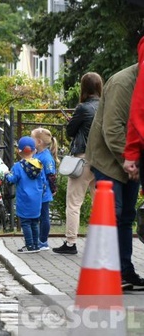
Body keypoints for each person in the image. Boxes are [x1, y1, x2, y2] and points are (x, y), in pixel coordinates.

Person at [88, 60, 143, 289]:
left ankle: (125, 270)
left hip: (131, 159)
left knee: (127, 215)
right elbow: (112, 129)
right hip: (109, 160)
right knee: (114, 214)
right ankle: (107, 271)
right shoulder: (123, 83)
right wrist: (129, 161)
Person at [53, 72, 102, 255]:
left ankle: (71, 242)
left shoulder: (83, 108)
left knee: (74, 203)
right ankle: (102, 240)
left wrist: (72, 121)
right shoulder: (104, 106)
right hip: (101, 160)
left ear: (84, 88)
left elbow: (71, 132)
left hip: (82, 159)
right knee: (101, 203)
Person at [5, 136, 45, 253]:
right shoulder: (39, 165)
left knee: (25, 222)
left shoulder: (18, 166)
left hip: (24, 198)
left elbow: (12, 180)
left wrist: (6, 174)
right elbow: (43, 181)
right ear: (34, 150)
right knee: (34, 222)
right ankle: (36, 245)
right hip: (37, 198)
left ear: (19, 151)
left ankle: (29, 245)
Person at [31, 127, 57, 251]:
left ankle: (43, 241)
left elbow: (51, 175)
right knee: (38, 215)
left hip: (43, 192)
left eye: (32, 138)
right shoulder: (37, 154)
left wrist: (53, 189)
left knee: (44, 216)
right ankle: (37, 239)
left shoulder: (46, 157)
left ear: (39, 142)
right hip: (37, 191)